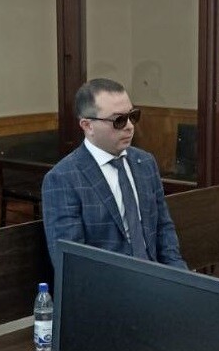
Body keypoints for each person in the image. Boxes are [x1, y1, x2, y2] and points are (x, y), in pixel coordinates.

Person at [42, 77, 187, 270]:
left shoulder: (144, 162)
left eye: (133, 116)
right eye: (119, 120)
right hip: (107, 284)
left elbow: (163, 228)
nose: (130, 126)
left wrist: (180, 276)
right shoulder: (63, 178)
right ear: (87, 126)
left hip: (155, 276)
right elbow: (71, 263)